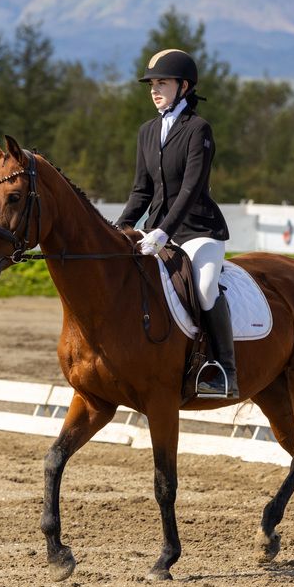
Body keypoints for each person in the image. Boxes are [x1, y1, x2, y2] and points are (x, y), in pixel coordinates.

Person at [116, 48, 238, 400]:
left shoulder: (198, 129)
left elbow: (191, 187)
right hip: (157, 230)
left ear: (183, 86)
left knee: (202, 288)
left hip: (199, 231)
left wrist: (163, 231)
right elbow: (141, 190)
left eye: (162, 83)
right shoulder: (147, 131)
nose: (154, 90)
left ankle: (224, 370)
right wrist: (122, 228)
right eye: (152, 84)